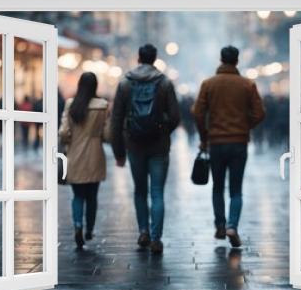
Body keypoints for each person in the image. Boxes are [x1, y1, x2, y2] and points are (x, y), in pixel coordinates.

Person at [193, 45, 265, 248]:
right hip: (239, 142)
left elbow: (197, 112)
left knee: (217, 187)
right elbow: (260, 113)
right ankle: (232, 225)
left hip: (216, 142)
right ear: (237, 61)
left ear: (220, 59)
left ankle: (220, 225)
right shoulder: (247, 85)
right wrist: (244, 126)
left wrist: (204, 135)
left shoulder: (208, 84)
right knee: (236, 189)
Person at [111, 44, 180, 255]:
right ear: (155, 58)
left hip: (134, 145)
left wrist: (119, 152)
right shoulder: (165, 82)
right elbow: (176, 117)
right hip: (159, 146)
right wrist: (162, 129)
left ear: (139, 58)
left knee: (140, 191)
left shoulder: (125, 83)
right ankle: (157, 238)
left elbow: (116, 120)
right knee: (157, 192)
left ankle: (143, 231)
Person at [59, 72, 110, 249]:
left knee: (78, 195)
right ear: (95, 86)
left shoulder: (71, 104)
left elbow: (64, 133)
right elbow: (108, 134)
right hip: (95, 155)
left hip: (75, 155)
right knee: (92, 196)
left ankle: (78, 226)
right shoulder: (103, 105)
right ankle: (89, 229)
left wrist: (68, 142)